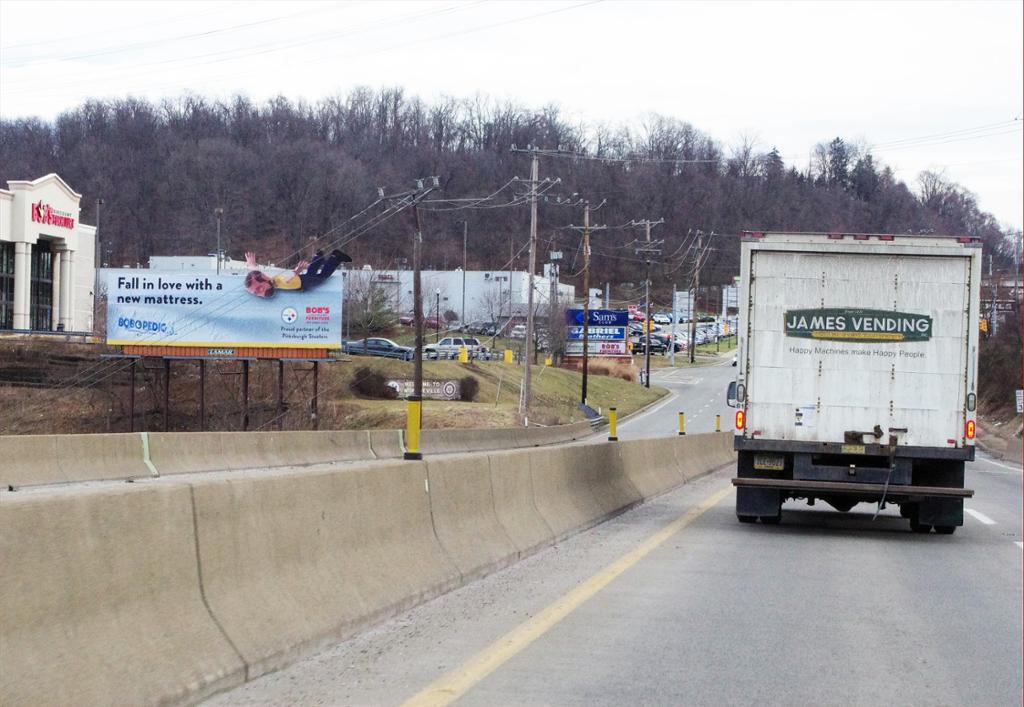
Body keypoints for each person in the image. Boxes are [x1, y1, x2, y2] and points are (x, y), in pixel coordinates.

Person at [244, 248, 351, 298]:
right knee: (311, 273)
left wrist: (297, 271)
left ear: (264, 278)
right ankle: (318, 256)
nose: (261, 292)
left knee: (322, 278)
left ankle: (335, 258)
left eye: (259, 289)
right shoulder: (268, 278)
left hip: (303, 283)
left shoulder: (275, 279)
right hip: (300, 281)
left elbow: (288, 278)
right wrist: (251, 265)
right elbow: (255, 273)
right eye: (257, 293)